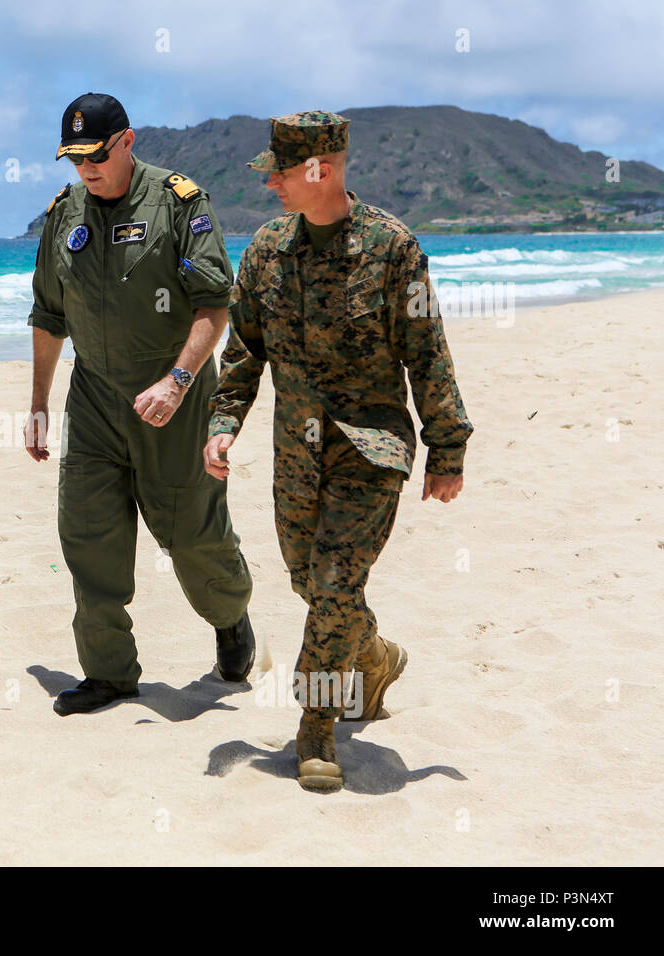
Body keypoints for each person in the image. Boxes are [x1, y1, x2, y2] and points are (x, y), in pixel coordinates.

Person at [202, 111, 472, 791]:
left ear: (321, 169)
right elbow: (243, 352)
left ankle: (316, 727)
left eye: (282, 174)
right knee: (313, 584)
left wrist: (447, 448)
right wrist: (223, 421)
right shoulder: (265, 250)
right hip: (298, 451)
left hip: (371, 449)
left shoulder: (393, 249)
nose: (273, 188)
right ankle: (373, 656)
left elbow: (426, 351)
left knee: (332, 586)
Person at [26, 92, 255, 716]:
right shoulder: (63, 212)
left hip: (174, 399)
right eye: (74, 159)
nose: (85, 170)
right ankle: (108, 675)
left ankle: (231, 618)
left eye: (96, 156)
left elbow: (214, 304)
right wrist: (40, 401)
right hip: (95, 398)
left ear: (126, 142)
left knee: (191, 538)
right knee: (87, 534)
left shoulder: (180, 203)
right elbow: (49, 315)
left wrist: (179, 380)